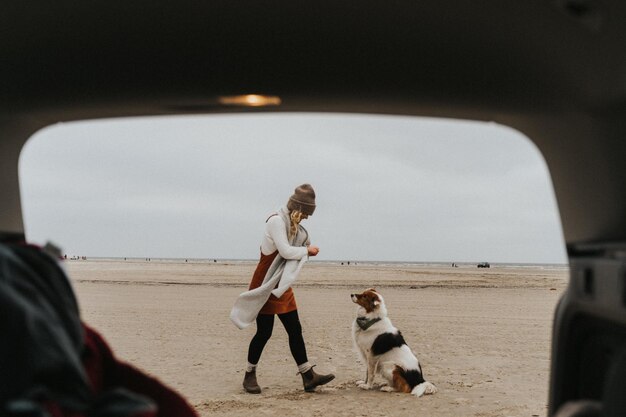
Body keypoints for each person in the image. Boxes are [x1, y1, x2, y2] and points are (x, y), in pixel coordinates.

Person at [236, 184, 335, 394]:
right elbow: (286, 251)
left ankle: (308, 376)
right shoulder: (276, 221)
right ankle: (249, 375)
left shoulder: (294, 226)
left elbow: (293, 248)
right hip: (266, 282)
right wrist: (307, 250)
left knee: (295, 329)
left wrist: (306, 247)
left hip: (281, 283)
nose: (307, 218)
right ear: (298, 208)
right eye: (306, 213)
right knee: (264, 332)